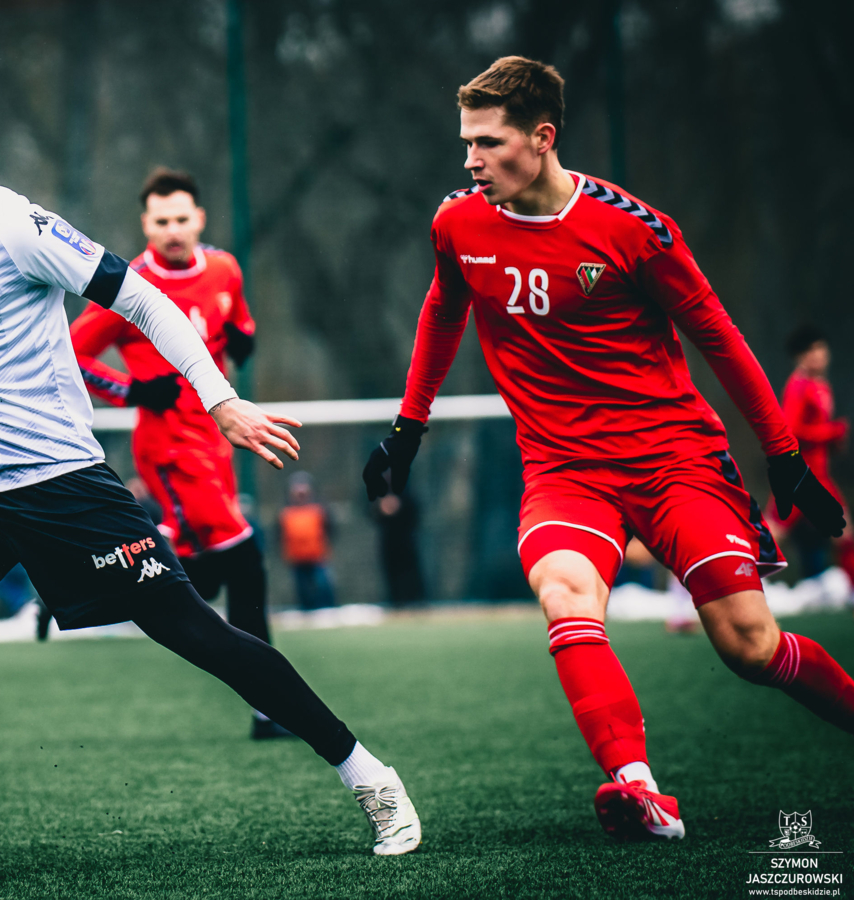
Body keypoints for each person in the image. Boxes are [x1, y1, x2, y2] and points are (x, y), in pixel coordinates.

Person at [0, 66, 419, 856]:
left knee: (195, 632)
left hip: (64, 489)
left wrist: (220, 400)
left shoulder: (17, 227)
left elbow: (145, 300)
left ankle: (371, 778)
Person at [363, 55, 854, 842]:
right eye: (466, 143)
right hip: (563, 471)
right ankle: (638, 788)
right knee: (565, 592)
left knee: (749, 646)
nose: (471, 160)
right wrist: (407, 428)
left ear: (542, 137)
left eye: (488, 143)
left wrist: (784, 454)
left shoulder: (633, 229)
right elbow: (443, 310)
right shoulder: (457, 223)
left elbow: (719, 339)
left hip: (674, 462)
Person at [70, 168, 290, 739]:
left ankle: (87, 587)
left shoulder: (224, 269)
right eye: (161, 220)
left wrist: (244, 338)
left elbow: (238, 324)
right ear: (146, 225)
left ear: (200, 220)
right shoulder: (128, 286)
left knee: (197, 575)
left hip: (217, 441)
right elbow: (69, 354)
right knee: (245, 560)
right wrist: (133, 391)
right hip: (169, 449)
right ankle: (271, 707)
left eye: (181, 219)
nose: (172, 230)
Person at [767, 326, 852, 580]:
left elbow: (814, 429)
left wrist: (832, 440)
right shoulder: (799, 386)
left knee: (843, 533)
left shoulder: (820, 385)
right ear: (799, 357)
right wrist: (832, 432)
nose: (817, 354)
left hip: (817, 475)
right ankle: (732, 582)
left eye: (820, 348)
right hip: (800, 475)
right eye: (810, 350)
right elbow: (791, 429)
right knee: (771, 534)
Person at [280, 473, 335, 610]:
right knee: (302, 587)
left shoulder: (320, 510)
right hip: (296, 557)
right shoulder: (286, 512)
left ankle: (327, 608)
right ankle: (306, 609)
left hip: (317, 556)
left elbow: (330, 530)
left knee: (323, 585)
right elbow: (280, 535)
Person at [373, 490, 424, 606]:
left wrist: (399, 505)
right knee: (391, 573)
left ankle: (415, 600)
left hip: (406, 539)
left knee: (410, 573)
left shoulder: (405, 491)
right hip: (388, 540)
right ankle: (396, 601)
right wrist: (381, 507)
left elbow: (415, 512)